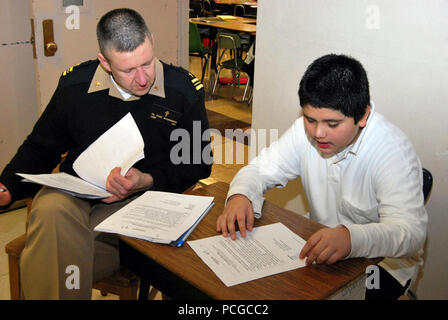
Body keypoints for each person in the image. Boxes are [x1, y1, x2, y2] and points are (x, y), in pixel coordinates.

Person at [0, 8, 212, 299]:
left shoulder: (183, 91)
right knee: (49, 209)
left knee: (51, 250)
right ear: (105, 61)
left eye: (147, 63)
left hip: (140, 201)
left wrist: (146, 180)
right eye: (128, 70)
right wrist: (8, 185)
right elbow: (42, 145)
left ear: (151, 40)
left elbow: (197, 165)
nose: (142, 78)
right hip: (76, 192)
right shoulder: (75, 86)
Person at [216, 54, 427, 300]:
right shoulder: (304, 133)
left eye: (332, 124)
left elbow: (410, 233)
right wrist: (241, 194)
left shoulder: (392, 151)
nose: (318, 133)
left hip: (384, 264)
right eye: (310, 119)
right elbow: (259, 169)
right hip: (320, 244)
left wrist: (351, 238)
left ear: (363, 116)